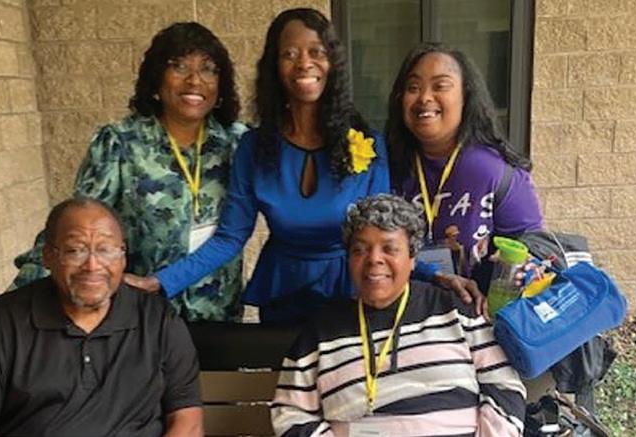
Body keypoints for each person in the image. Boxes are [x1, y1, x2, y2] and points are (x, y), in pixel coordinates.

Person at [126, 9, 480, 323]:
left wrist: (435, 275)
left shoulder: (368, 144)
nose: (304, 63)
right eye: (290, 54)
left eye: (316, 52)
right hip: (284, 295)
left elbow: (387, 235)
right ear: (275, 67)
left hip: (352, 292)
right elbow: (230, 238)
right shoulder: (254, 147)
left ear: (332, 63)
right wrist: (160, 282)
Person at [11, 22, 247, 322]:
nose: (194, 80)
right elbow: (73, 225)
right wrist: (9, 306)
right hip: (142, 316)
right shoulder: (121, 144)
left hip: (220, 316)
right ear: (156, 78)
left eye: (208, 69)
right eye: (179, 66)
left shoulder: (237, 143)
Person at [271, 194, 526, 437]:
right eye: (360, 250)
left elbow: (505, 388)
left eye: (389, 249)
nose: (374, 259)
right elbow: (291, 412)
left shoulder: (456, 310)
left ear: (413, 259)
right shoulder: (322, 330)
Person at [0, 198, 203, 437]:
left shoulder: (157, 319)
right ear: (48, 256)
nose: (93, 266)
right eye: (75, 250)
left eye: (106, 250)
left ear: (123, 256)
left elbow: (188, 422)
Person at [386, 43, 543, 293]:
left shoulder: (495, 172)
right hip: (402, 308)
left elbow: (531, 247)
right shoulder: (385, 167)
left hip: (477, 310)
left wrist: (518, 269)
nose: (424, 98)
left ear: (466, 97)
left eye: (440, 86)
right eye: (413, 88)